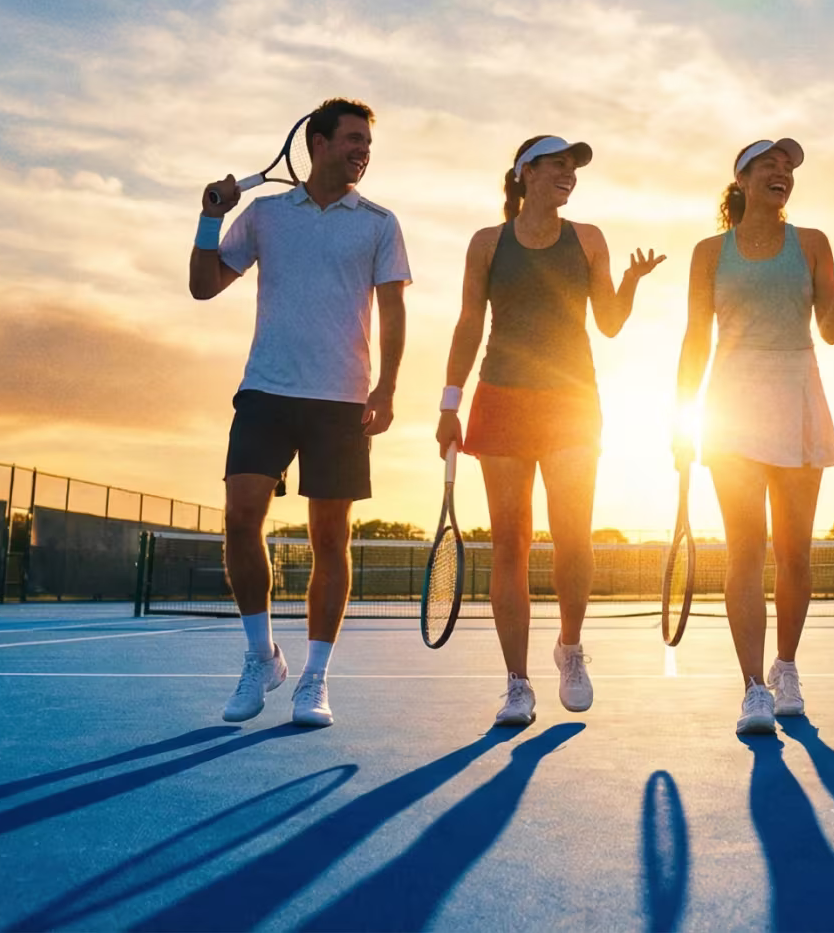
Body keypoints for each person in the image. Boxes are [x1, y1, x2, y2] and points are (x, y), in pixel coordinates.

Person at [190, 97, 411, 729]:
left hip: (341, 400)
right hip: (266, 391)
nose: (362, 151)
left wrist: (388, 387)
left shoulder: (379, 223)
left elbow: (394, 312)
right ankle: (263, 658)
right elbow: (204, 285)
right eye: (351, 140)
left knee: (330, 539)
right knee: (240, 519)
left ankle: (314, 678)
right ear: (316, 142)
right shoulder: (263, 216)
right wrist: (210, 219)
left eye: (367, 143)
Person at [437, 135, 664, 727]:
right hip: (502, 398)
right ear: (526, 173)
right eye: (558, 165)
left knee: (572, 537)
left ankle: (569, 646)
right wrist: (449, 402)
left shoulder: (588, 238)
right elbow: (468, 321)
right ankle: (516, 683)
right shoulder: (487, 243)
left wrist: (633, 283)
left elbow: (610, 323)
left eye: (573, 168)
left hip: (571, 401)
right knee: (510, 543)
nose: (569, 175)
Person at [674, 138, 834, 734]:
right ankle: (752, 688)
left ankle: (785, 667)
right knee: (745, 551)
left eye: (787, 167)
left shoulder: (812, 243)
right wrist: (680, 418)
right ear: (741, 180)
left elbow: (833, 330)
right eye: (769, 164)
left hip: (798, 399)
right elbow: (694, 338)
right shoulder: (709, 252)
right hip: (731, 409)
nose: (781, 171)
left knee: (794, 552)